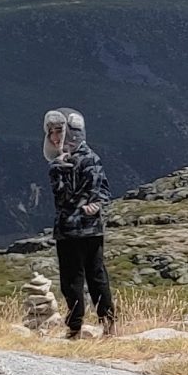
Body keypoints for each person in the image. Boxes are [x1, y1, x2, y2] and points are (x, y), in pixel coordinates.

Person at [45, 107, 116, 338]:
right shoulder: (87, 158)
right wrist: (94, 205)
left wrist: (57, 172)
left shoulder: (72, 162)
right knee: (88, 277)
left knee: (80, 278)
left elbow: (65, 198)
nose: (54, 137)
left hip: (75, 230)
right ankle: (101, 324)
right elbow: (102, 191)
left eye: (58, 131)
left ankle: (80, 327)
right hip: (84, 229)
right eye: (51, 132)